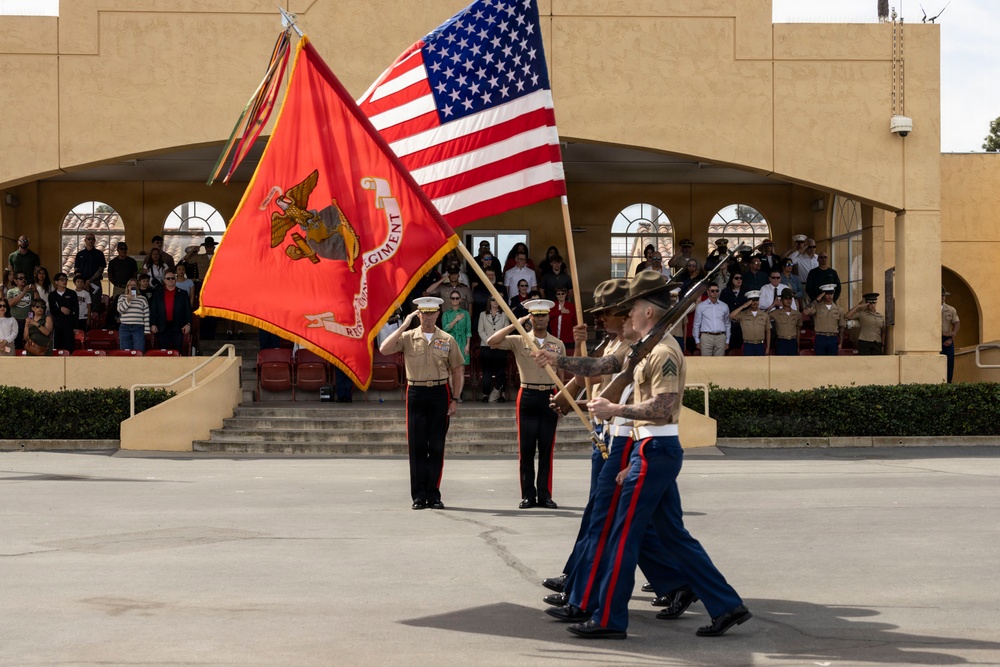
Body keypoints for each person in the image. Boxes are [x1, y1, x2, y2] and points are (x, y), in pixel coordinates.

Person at [533, 272, 750, 640]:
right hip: (646, 449)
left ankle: (609, 619)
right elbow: (601, 367)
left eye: (631, 308)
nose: (626, 315)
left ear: (648, 311)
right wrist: (558, 360)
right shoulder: (643, 347)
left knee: (622, 536)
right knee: (672, 534)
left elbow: (663, 406)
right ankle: (726, 604)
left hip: (655, 447)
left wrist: (616, 411)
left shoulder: (663, 352)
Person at [379, 296, 465, 510]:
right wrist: (404, 325)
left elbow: (457, 370)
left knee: (436, 446)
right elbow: (384, 349)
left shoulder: (447, 339)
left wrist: (455, 398)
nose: (428, 317)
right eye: (424, 313)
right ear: (418, 314)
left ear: (438, 314)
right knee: (417, 446)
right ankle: (419, 496)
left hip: (439, 392)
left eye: (432, 313)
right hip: (416, 392)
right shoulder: (408, 337)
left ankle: (433, 494)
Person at [487, 298, 565, 509]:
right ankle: (528, 495)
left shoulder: (557, 344)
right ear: (530, 317)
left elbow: (561, 375)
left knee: (547, 449)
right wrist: (516, 324)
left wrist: (562, 400)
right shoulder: (520, 340)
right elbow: (492, 341)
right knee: (526, 448)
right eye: (536, 315)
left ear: (548, 317)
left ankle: (545, 495)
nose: (540, 319)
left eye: (543, 315)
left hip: (550, 395)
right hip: (528, 394)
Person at [150, 270, 192, 352]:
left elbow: (188, 310)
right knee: (163, 350)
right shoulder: (157, 294)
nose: (170, 280)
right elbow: (153, 310)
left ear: (175, 280)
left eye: (173, 278)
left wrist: (188, 324)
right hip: (162, 326)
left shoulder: (183, 293)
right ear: (164, 280)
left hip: (178, 326)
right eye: (168, 278)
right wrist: (153, 324)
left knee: (177, 350)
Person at [477, 296, 510, 402]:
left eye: (497, 300)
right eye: (493, 300)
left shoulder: (504, 315)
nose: (495, 302)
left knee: (501, 371)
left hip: (500, 346)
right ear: (489, 302)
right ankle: (485, 394)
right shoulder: (483, 314)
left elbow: (506, 330)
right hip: (486, 346)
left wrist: (497, 342)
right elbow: (480, 330)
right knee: (487, 371)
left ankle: (502, 394)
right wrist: (489, 342)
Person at [804, 284, 845, 355]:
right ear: (823, 294)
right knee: (820, 360)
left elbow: (842, 327)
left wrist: (841, 343)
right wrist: (816, 300)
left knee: (832, 360)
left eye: (831, 293)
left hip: (833, 338)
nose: (829, 296)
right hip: (820, 337)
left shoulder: (839, 309)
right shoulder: (817, 307)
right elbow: (805, 312)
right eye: (827, 294)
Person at [692, 284, 730, 356]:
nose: (715, 292)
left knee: (719, 361)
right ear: (708, 292)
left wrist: (727, 340)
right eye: (712, 291)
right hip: (706, 336)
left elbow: (727, 324)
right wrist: (697, 340)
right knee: (706, 361)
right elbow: (696, 324)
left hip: (720, 336)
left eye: (717, 291)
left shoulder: (724, 306)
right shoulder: (701, 306)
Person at [729, 290, 769, 356]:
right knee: (748, 363)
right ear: (749, 302)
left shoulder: (764, 315)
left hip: (760, 345)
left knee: (761, 363)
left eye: (756, 300)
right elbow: (731, 316)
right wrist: (743, 306)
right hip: (748, 345)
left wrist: (768, 347)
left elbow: (768, 332)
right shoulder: (743, 314)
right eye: (752, 301)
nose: (755, 302)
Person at [117, 278, 150, 352]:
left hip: (138, 327)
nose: (132, 287)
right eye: (131, 285)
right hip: (125, 327)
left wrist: (146, 329)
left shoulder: (142, 298)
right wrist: (128, 300)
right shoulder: (122, 297)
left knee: (139, 351)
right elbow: (120, 310)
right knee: (125, 352)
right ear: (128, 287)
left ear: (137, 287)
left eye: (134, 285)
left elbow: (146, 314)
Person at [47, 273, 78, 352]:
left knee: (69, 348)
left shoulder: (72, 293)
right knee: (58, 348)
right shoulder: (52, 295)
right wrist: (59, 309)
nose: (64, 281)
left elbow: (76, 310)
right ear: (56, 282)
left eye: (65, 280)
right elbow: (52, 310)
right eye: (62, 280)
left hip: (69, 325)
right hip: (58, 325)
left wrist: (75, 326)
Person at [441, 290, 471, 366]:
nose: (455, 300)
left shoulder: (466, 314)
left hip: (462, 342)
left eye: (457, 298)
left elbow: (468, 331)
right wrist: (456, 319)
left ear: (460, 300)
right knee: (450, 367)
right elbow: (445, 329)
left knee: (462, 367)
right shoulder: (446, 314)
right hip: (450, 342)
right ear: (450, 300)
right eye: (453, 298)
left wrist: (467, 345)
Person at [73, 233, 106, 301]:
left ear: (95, 241)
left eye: (93, 239)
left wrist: (90, 281)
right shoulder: (80, 254)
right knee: (82, 303)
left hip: (95, 283)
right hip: (82, 283)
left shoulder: (99, 254)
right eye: (89, 239)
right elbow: (76, 268)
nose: (91, 240)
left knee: (96, 303)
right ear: (85, 240)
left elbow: (101, 269)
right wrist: (81, 281)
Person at [770, 289, 802, 355]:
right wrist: (773, 305)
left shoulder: (797, 314)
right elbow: (763, 316)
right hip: (781, 341)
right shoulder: (776, 313)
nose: (788, 301)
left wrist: (798, 345)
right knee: (781, 361)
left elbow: (798, 330)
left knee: (792, 361)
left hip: (793, 341)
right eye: (786, 299)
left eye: (790, 299)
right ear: (781, 300)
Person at [6, 271, 34, 349]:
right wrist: (24, 292)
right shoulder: (11, 291)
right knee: (17, 343)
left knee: (28, 342)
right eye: (20, 278)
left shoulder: (31, 291)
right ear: (15, 280)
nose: (23, 280)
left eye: (24, 278)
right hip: (16, 320)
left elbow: (33, 306)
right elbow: (10, 304)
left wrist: (30, 318)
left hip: (28, 320)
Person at [548, 287, 577, 353]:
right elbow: (548, 316)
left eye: (563, 293)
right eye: (558, 294)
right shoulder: (552, 305)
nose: (561, 295)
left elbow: (575, 322)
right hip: (554, 338)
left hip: (568, 339)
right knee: (553, 355)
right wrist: (560, 312)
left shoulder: (571, 306)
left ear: (566, 294)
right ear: (556, 295)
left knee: (568, 356)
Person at [941, 288, 960, 383]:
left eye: (944, 296)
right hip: (933, 339)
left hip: (947, 339)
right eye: (941, 296)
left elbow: (956, 323)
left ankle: (948, 382)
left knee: (949, 363)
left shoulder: (950, 309)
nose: (943, 298)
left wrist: (952, 335)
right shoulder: (930, 308)